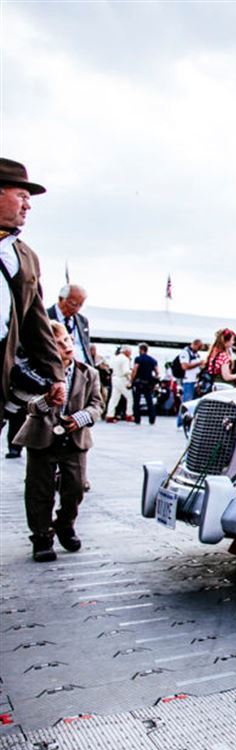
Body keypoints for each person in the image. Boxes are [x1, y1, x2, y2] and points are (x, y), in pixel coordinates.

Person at [13, 320, 103, 562]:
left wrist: (81, 418)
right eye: (58, 344)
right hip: (41, 437)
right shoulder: (36, 372)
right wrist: (46, 401)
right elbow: (28, 404)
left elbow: (97, 404)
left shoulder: (88, 373)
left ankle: (64, 523)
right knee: (39, 489)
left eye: (67, 340)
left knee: (76, 486)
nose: (66, 346)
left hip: (75, 439)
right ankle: (41, 536)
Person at [0, 158, 65, 424]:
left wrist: (56, 374)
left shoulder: (25, 257)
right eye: (22, 196)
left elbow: (35, 323)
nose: (28, 205)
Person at [47, 283, 94, 366]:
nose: (77, 309)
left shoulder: (83, 321)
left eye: (80, 305)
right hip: (56, 367)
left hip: (82, 369)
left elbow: (85, 347)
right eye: (73, 304)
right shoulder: (44, 317)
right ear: (61, 299)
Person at [175, 338, 204, 425]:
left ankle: (188, 422)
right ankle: (180, 423)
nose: (199, 349)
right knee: (186, 402)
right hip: (188, 380)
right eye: (199, 347)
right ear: (195, 344)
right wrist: (199, 363)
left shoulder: (196, 354)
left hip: (194, 381)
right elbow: (185, 366)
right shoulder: (185, 353)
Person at [129, 343, 159, 425]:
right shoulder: (152, 360)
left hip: (139, 382)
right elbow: (157, 372)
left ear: (141, 349)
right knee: (149, 401)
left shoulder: (138, 359)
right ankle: (152, 419)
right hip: (148, 383)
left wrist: (131, 380)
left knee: (136, 401)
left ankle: (137, 419)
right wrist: (154, 381)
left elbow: (135, 370)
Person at [105, 345, 133, 422]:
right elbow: (125, 371)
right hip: (122, 379)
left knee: (114, 398)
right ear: (126, 351)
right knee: (130, 397)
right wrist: (132, 372)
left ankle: (109, 415)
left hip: (114, 378)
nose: (130, 354)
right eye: (130, 352)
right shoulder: (125, 359)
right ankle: (129, 415)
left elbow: (111, 367)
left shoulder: (115, 358)